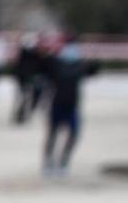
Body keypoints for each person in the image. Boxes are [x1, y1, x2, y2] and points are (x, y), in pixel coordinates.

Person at [42, 37, 99, 177]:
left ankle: (63, 161)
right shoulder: (55, 63)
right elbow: (44, 68)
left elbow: (93, 70)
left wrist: (92, 57)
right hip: (57, 104)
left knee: (73, 134)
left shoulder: (79, 65)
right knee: (53, 134)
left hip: (71, 106)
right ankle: (49, 162)